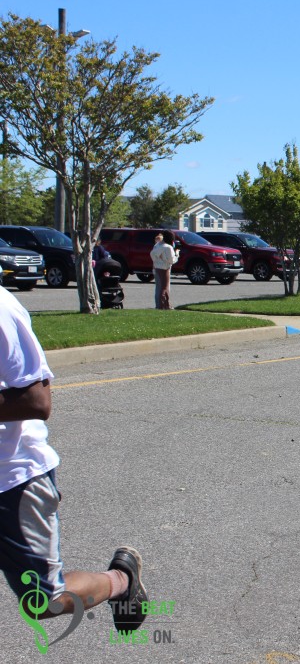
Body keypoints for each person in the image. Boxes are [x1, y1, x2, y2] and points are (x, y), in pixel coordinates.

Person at [1, 287, 149, 637]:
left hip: (12, 478)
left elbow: (37, 400)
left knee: (43, 601)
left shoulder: (3, 310)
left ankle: (121, 581)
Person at [149, 231, 177, 310]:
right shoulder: (168, 247)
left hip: (156, 267)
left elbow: (152, 255)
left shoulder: (157, 245)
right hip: (165, 268)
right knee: (165, 287)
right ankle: (165, 305)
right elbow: (172, 260)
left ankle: (158, 305)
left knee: (158, 287)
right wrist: (177, 255)